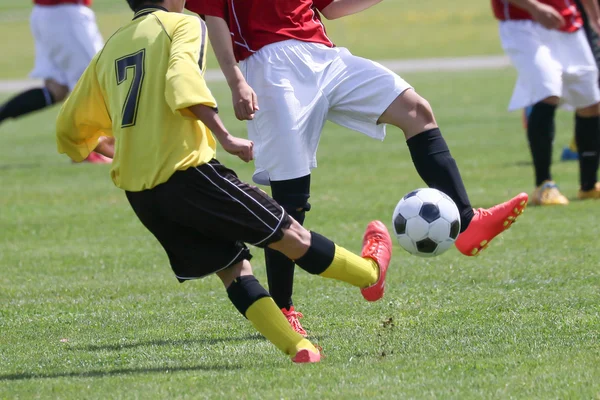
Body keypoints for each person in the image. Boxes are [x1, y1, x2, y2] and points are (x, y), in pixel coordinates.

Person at [55, 0, 395, 364]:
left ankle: (300, 349)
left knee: (234, 268)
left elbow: (69, 128)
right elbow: (182, 84)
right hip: (189, 174)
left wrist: (127, 149)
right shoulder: (180, 25)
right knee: (290, 235)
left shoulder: (111, 47)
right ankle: (369, 274)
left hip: (142, 195)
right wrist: (226, 137)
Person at [185, 0, 529, 337]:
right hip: (270, 67)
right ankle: (282, 309)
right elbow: (214, 18)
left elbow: (330, 7)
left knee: (416, 111)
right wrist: (235, 81)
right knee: (291, 199)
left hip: (326, 57)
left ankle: (467, 223)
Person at [492, 0, 600, 205]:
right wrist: (535, 7)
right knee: (547, 91)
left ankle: (589, 185)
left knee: (591, 101)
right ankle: (544, 184)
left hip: (568, 22)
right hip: (522, 23)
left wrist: (595, 16)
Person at [0, 0, 109, 163]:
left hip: (49, 13)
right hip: (65, 13)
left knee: (57, 88)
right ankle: (87, 150)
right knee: (95, 80)